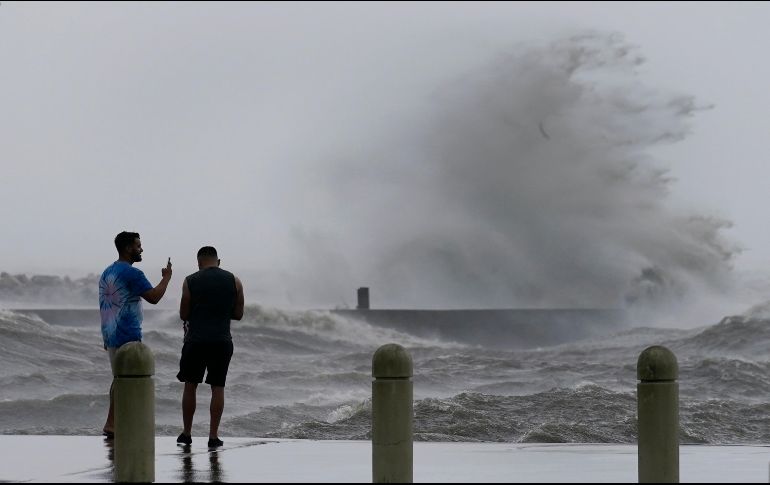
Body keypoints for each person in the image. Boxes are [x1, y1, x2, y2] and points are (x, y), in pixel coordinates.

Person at [98, 231, 172, 438]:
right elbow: (154, 297)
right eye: (138, 245)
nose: (141, 249)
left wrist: (106, 335)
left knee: (118, 380)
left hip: (110, 334)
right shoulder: (133, 273)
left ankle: (112, 423)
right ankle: (116, 423)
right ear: (128, 248)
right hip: (127, 333)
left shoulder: (108, 271)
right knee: (127, 381)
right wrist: (166, 278)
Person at [176, 246, 244, 448]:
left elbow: (183, 313)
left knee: (190, 385)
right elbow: (238, 314)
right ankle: (213, 436)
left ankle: (187, 433)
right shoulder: (235, 281)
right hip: (222, 341)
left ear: (199, 262)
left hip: (195, 341)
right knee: (218, 387)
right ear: (218, 261)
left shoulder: (190, 280)